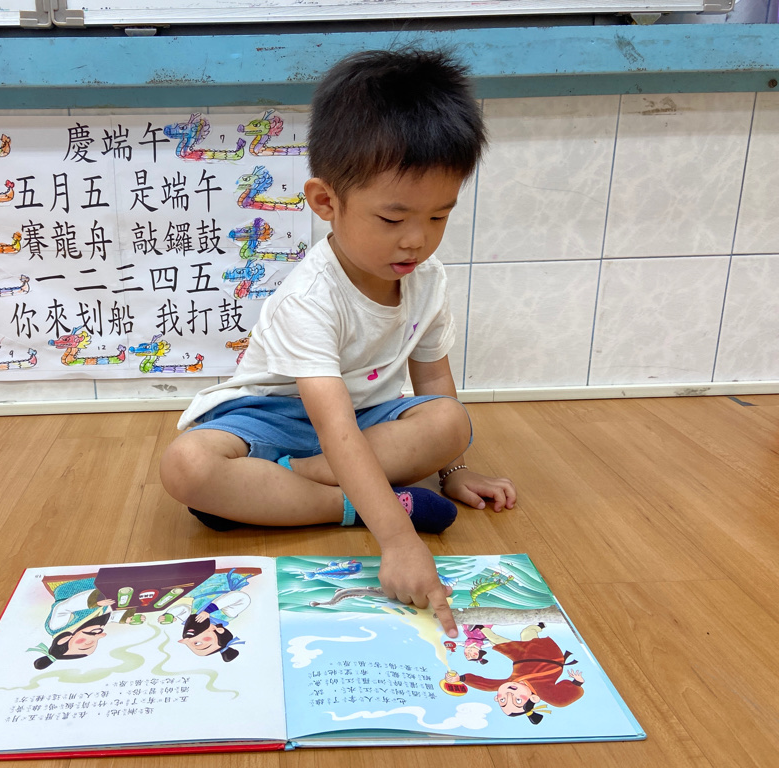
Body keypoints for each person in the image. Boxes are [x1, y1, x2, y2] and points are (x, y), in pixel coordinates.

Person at [160, 48, 516, 638]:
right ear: (326, 202)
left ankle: (286, 486)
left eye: (438, 217)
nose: (416, 240)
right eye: (392, 219)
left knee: (451, 421)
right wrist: (397, 539)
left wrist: (452, 469)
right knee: (187, 467)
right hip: (271, 418)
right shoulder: (311, 295)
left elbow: (432, 379)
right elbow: (333, 426)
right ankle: (367, 502)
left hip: (360, 421)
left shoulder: (428, 280)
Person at [443, 624, 585, 723]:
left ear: (497, 698)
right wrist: (577, 682)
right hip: (548, 657)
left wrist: (461, 678)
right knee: (509, 639)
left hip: (523, 658)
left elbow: (486, 684)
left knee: (526, 633)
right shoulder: (543, 691)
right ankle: (481, 628)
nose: (509, 695)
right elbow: (561, 700)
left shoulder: (510, 683)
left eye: (503, 700)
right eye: (517, 701)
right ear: (533, 698)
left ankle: (539, 625)